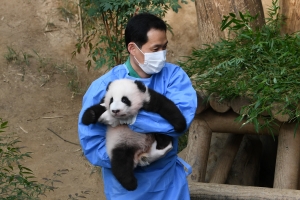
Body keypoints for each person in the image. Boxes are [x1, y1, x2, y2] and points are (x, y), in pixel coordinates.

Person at [78, 13, 197, 200]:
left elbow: (180, 121)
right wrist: (133, 160)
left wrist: (130, 118)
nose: (162, 54)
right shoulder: (103, 87)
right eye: (155, 48)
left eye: (164, 47)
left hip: (168, 185)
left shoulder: (174, 77)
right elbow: (92, 145)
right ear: (133, 48)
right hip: (126, 191)